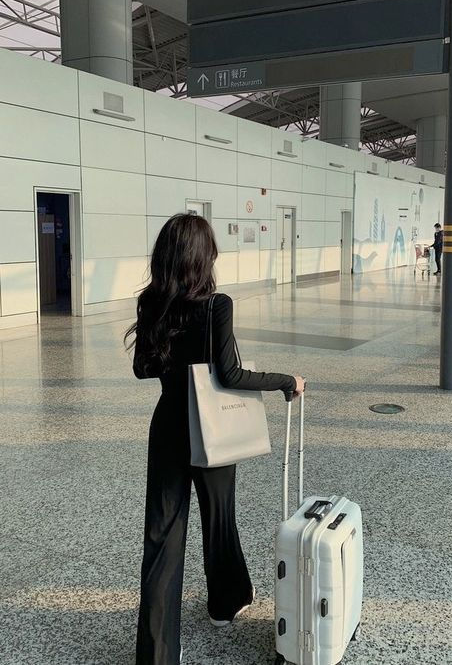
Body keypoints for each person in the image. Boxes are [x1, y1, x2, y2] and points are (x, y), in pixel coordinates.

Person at [125, 214, 305, 665]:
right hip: (212, 430)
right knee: (219, 516)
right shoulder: (216, 306)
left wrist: (173, 357)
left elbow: (142, 368)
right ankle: (225, 604)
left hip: (168, 428)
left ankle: (158, 653)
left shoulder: (151, 302)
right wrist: (287, 380)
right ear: (203, 257)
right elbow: (231, 374)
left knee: (162, 538)